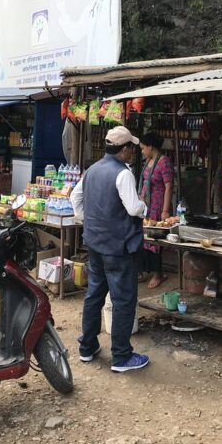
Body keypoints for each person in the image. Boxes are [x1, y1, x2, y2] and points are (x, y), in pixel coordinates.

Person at [70, 125, 149, 372]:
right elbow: (133, 208)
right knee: (123, 299)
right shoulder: (123, 173)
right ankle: (122, 356)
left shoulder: (92, 170)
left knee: (94, 293)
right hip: (119, 245)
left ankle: (87, 347)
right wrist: (144, 208)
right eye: (131, 149)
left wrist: (87, 220)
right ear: (124, 149)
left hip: (95, 243)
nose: (132, 153)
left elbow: (75, 198)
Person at [56, 0, 119, 67]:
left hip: (109, 70)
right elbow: (76, 33)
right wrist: (63, 11)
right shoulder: (91, 8)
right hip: (91, 71)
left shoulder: (115, 3)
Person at [138, 132, 174, 288]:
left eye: (142, 148)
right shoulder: (149, 161)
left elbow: (169, 186)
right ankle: (142, 270)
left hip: (158, 206)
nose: (141, 151)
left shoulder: (164, 162)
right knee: (144, 238)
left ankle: (158, 273)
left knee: (155, 240)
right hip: (146, 206)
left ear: (150, 147)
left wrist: (165, 210)